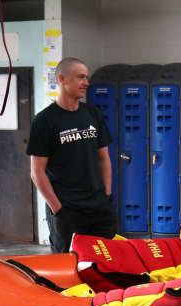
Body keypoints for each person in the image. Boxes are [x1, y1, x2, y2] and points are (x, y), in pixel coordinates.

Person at [27, 57, 117, 253]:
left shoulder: (93, 114)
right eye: (80, 77)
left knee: (105, 262)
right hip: (67, 210)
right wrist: (57, 208)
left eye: (87, 77)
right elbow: (37, 172)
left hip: (99, 206)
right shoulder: (44, 121)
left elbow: (104, 157)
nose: (86, 83)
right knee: (68, 268)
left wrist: (107, 195)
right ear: (62, 79)